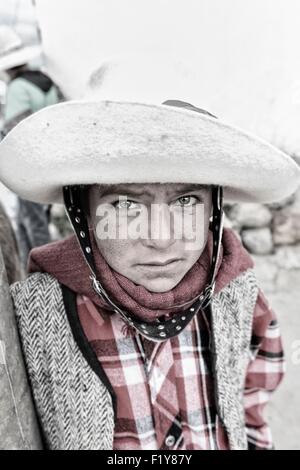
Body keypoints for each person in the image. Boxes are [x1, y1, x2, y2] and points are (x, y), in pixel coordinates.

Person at [0, 58, 299, 450]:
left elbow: (254, 393)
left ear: (214, 208)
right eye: (125, 205)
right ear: (82, 211)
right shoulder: (37, 309)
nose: (160, 238)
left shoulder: (238, 292)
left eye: (187, 200)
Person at [0, 25, 60, 269]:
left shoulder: (16, 88)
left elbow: (15, 131)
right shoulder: (47, 82)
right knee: (40, 219)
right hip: (51, 160)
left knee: (30, 221)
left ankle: (39, 272)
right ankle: (37, 268)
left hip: (27, 163)